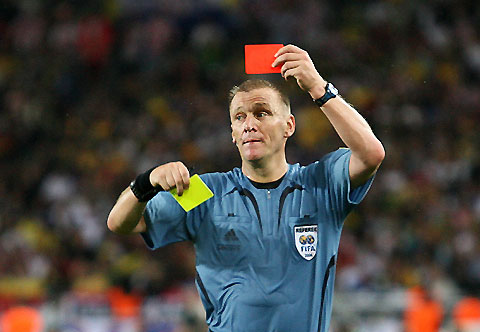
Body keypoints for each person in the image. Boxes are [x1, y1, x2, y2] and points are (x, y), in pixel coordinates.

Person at [107, 44, 385, 332]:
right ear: (233, 134)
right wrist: (145, 182)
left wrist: (319, 88)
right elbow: (121, 223)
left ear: (289, 125)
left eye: (262, 113)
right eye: (240, 117)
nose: (249, 124)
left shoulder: (320, 183)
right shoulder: (205, 193)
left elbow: (371, 154)